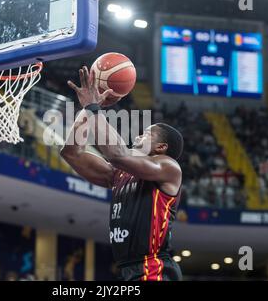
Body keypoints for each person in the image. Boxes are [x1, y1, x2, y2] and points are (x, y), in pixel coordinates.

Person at [61, 67, 184, 281]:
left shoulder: (168, 167)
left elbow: (117, 154)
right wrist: (87, 110)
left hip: (153, 269)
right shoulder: (118, 175)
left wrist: (93, 108)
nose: (139, 135)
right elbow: (72, 153)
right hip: (128, 270)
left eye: (147, 133)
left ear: (162, 147)